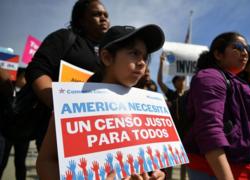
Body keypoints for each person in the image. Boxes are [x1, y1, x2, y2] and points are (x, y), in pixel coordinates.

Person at [36, 24, 166, 180]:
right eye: (134, 53)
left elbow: (148, 159)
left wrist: (156, 172)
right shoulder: (73, 100)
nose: (142, 62)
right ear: (107, 57)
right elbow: (46, 161)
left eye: (145, 57)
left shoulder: (146, 105)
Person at [183, 32, 250, 180]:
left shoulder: (235, 82)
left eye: (248, 48)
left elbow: (238, 124)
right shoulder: (210, 77)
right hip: (215, 171)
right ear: (218, 54)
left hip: (242, 170)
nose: (245, 52)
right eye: (238, 47)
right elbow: (209, 130)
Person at [25, 0, 110, 150]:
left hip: (99, 132)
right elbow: (37, 69)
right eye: (96, 14)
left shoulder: (112, 51)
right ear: (81, 20)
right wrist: (59, 104)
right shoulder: (64, 38)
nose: (103, 18)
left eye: (106, 15)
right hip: (59, 130)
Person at [0, 68, 30, 180]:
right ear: (18, 77)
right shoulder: (7, 87)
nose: (25, 80)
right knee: (2, 161)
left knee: (20, 163)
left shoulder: (30, 93)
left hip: (23, 136)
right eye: (24, 77)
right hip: (7, 133)